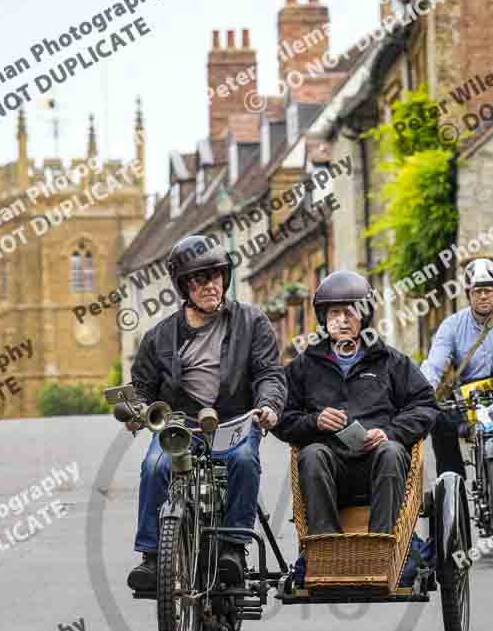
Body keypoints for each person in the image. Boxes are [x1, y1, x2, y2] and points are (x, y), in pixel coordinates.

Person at [126, 234, 287, 591]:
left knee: (245, 460)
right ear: (184, 286)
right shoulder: (160, 336)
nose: (210, 285)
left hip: (236, 418)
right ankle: (153, 558)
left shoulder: (252, 322)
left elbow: (269, 374)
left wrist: (268, 405)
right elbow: (141, 387)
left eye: (215, 276)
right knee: (155, 466)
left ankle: (232, 549)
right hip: (182, 423)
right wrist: (136, 409)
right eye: (199, 279)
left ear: (224, 278)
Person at [273, 270, 438, 536]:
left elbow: (425, 405)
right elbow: (281, 417)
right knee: (312, 455)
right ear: (323, 319)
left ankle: (383, 548)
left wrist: (390, 433)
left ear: (365, 316)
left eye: (351, 312)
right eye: (334, 313)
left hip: (380, 465)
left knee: (393, 451)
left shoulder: (391, 361)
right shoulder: (304, 365)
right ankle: (326, 549)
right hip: (330, 467)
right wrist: (314, 422)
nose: (342, 320)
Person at [421, 258, 493, 493]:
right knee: (439, 420)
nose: (483, 296)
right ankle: (453, 485)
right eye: (477, 291)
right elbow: (434, 366)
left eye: (488, 291)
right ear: (468, 293)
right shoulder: (451, 326)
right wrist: (422, 391)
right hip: (470, 402)